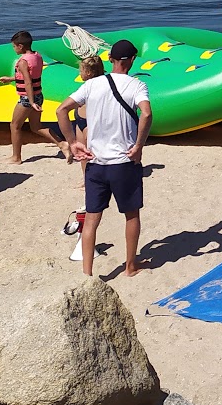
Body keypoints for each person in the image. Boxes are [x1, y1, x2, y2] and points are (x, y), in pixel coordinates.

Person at [54, 39, 150, 278]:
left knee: (92, 220)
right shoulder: (137, 85)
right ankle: (130, 266)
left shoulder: (92, 85)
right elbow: (146, 113)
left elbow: (61, 110)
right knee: (131, 215)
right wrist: (138, 146)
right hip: (123, 163)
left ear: (110, 60)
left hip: (95, 164)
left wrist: (73, 143)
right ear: (132, 61)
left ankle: (87, 272)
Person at [2, 30, 67, 164]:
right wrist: (11, 79)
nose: (13, 49)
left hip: (27, 98)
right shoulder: (37, 56)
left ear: (20, 46)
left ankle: (16, 157)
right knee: (36, 127)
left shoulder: (22, 62)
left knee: (15, 125)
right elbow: (30, 76)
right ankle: (62, 144)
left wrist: (31, 102)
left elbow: (27, 82)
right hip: (38, 95)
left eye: (14, 46)